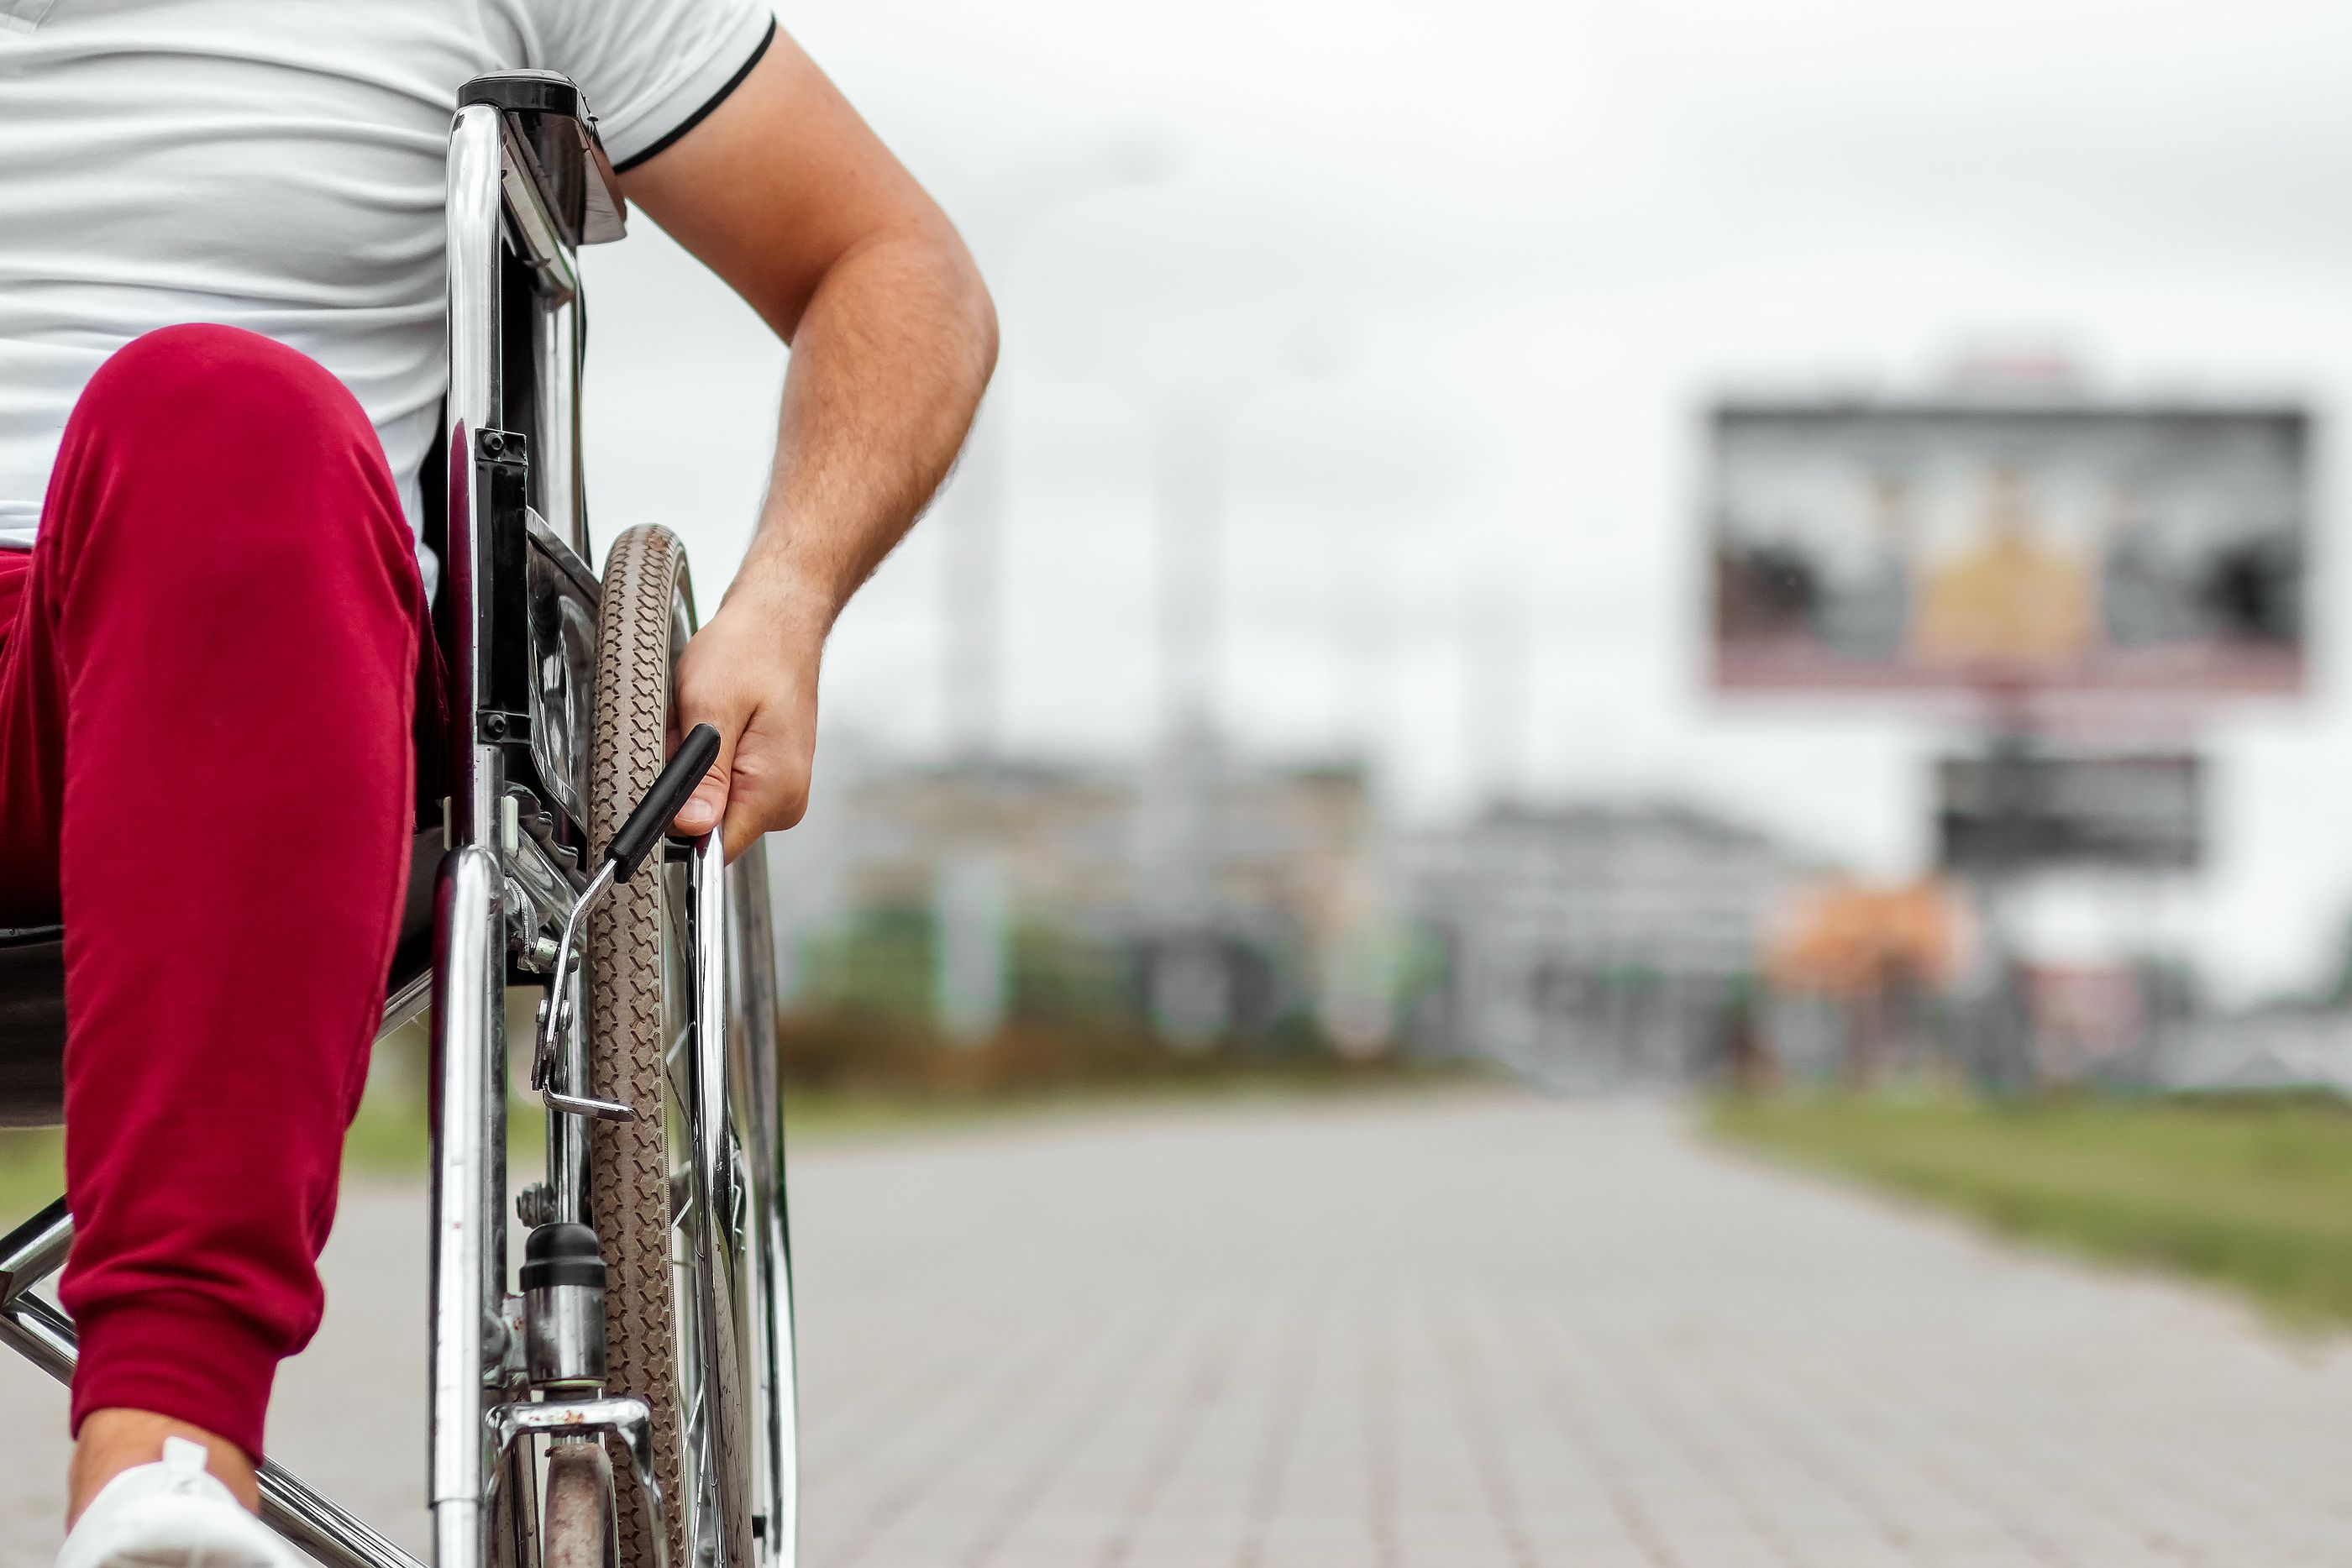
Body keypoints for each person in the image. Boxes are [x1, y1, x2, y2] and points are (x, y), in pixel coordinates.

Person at [0, 5, 996, 1564]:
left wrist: (786, 600)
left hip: (229, 636)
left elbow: (893, 264)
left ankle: (166, 1457)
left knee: (221, 413)